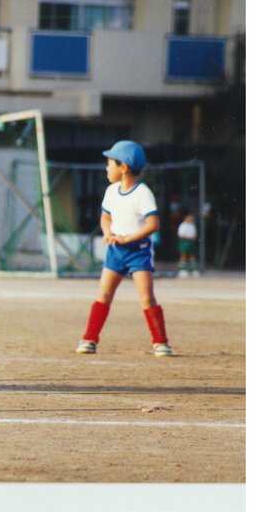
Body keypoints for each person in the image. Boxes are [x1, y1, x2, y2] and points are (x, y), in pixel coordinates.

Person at [75, 140, 172, 357]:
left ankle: (160, 342)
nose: (106, 168)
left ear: (124, 167)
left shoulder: (142, 193)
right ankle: (89, 339)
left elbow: (153, 224)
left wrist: (128, 238)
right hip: (116, 250)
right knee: (103, 294)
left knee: (146, 298)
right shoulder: (111, 191)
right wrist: (108, 233)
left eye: (110, 163)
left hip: (138, 251)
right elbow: (105, 218)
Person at [177, 212, 198, 277]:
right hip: (184, 242)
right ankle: (182, 270)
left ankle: (193, 270)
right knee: (183, 255)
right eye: (189, 218)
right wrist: (188, 238)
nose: (191, 219)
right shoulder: (182, 225)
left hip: (191, 242)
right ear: (186, 218)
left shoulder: (192, 225)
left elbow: (194, 235)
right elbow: (180, 235)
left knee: (192, 255)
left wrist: (192, 237)